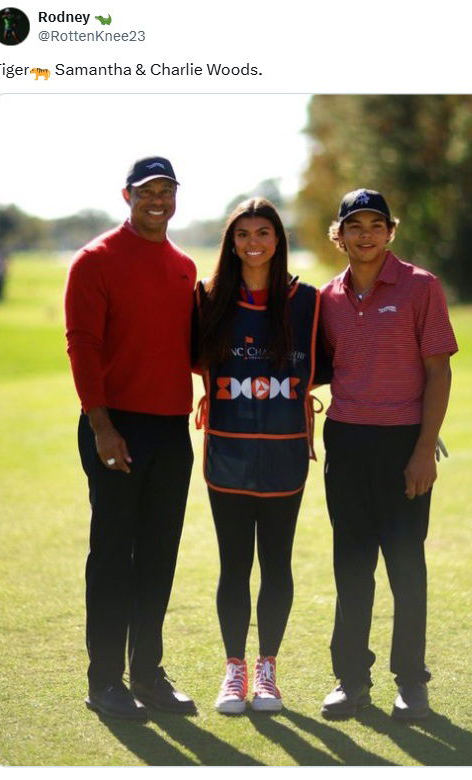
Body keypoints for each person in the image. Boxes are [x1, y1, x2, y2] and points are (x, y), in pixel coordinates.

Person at [65, 156, 197, 721]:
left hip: (171, 430)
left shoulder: (185, 267)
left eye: (166, 191)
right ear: (127, 195)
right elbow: (83, 347)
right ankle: (104, 682)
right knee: (115, 558)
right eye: (148, 191)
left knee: (159, 558)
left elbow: (192, 348)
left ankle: (147, 674)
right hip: (115, 426)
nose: (158, 200)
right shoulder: (95, 260)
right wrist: (101, 427)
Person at [319, 188, 458, 721]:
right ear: (340, 235)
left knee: (405, 567)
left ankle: (411, 684)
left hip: (403, 445)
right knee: (351, 568)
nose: (366, 234)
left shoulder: (422, 286)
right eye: (355, 226)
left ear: (390, 232)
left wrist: (425, 448)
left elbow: (438, 370)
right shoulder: (328, 297)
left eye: (376, 225)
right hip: (347, 443)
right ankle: (351, 681)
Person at [195, 198, 320, 715]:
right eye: (242, 234)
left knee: (276, 564)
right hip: (227, 453)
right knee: (233, 566)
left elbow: (335, 362)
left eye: (263, 233)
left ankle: (267, 671)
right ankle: (233, 671)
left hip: (284, 455)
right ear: (231, 242)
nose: (253, 243)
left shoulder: (306, 301)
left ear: (278, 239)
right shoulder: (207, 299)